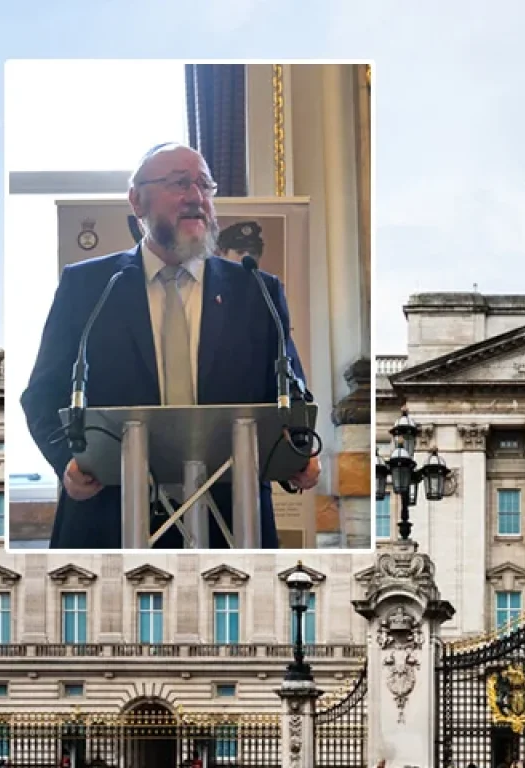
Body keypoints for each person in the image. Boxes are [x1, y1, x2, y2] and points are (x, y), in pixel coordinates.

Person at [21, 143, 320, 549]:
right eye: (180, 183)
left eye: (204, 184)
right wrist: (66, 462)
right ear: (136, 200)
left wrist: (295, 456)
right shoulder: (89, 286)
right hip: (109, 519)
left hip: (232, 527)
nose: (197, 197)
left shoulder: (257, 291)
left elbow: (291, 394)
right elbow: (42, 393)